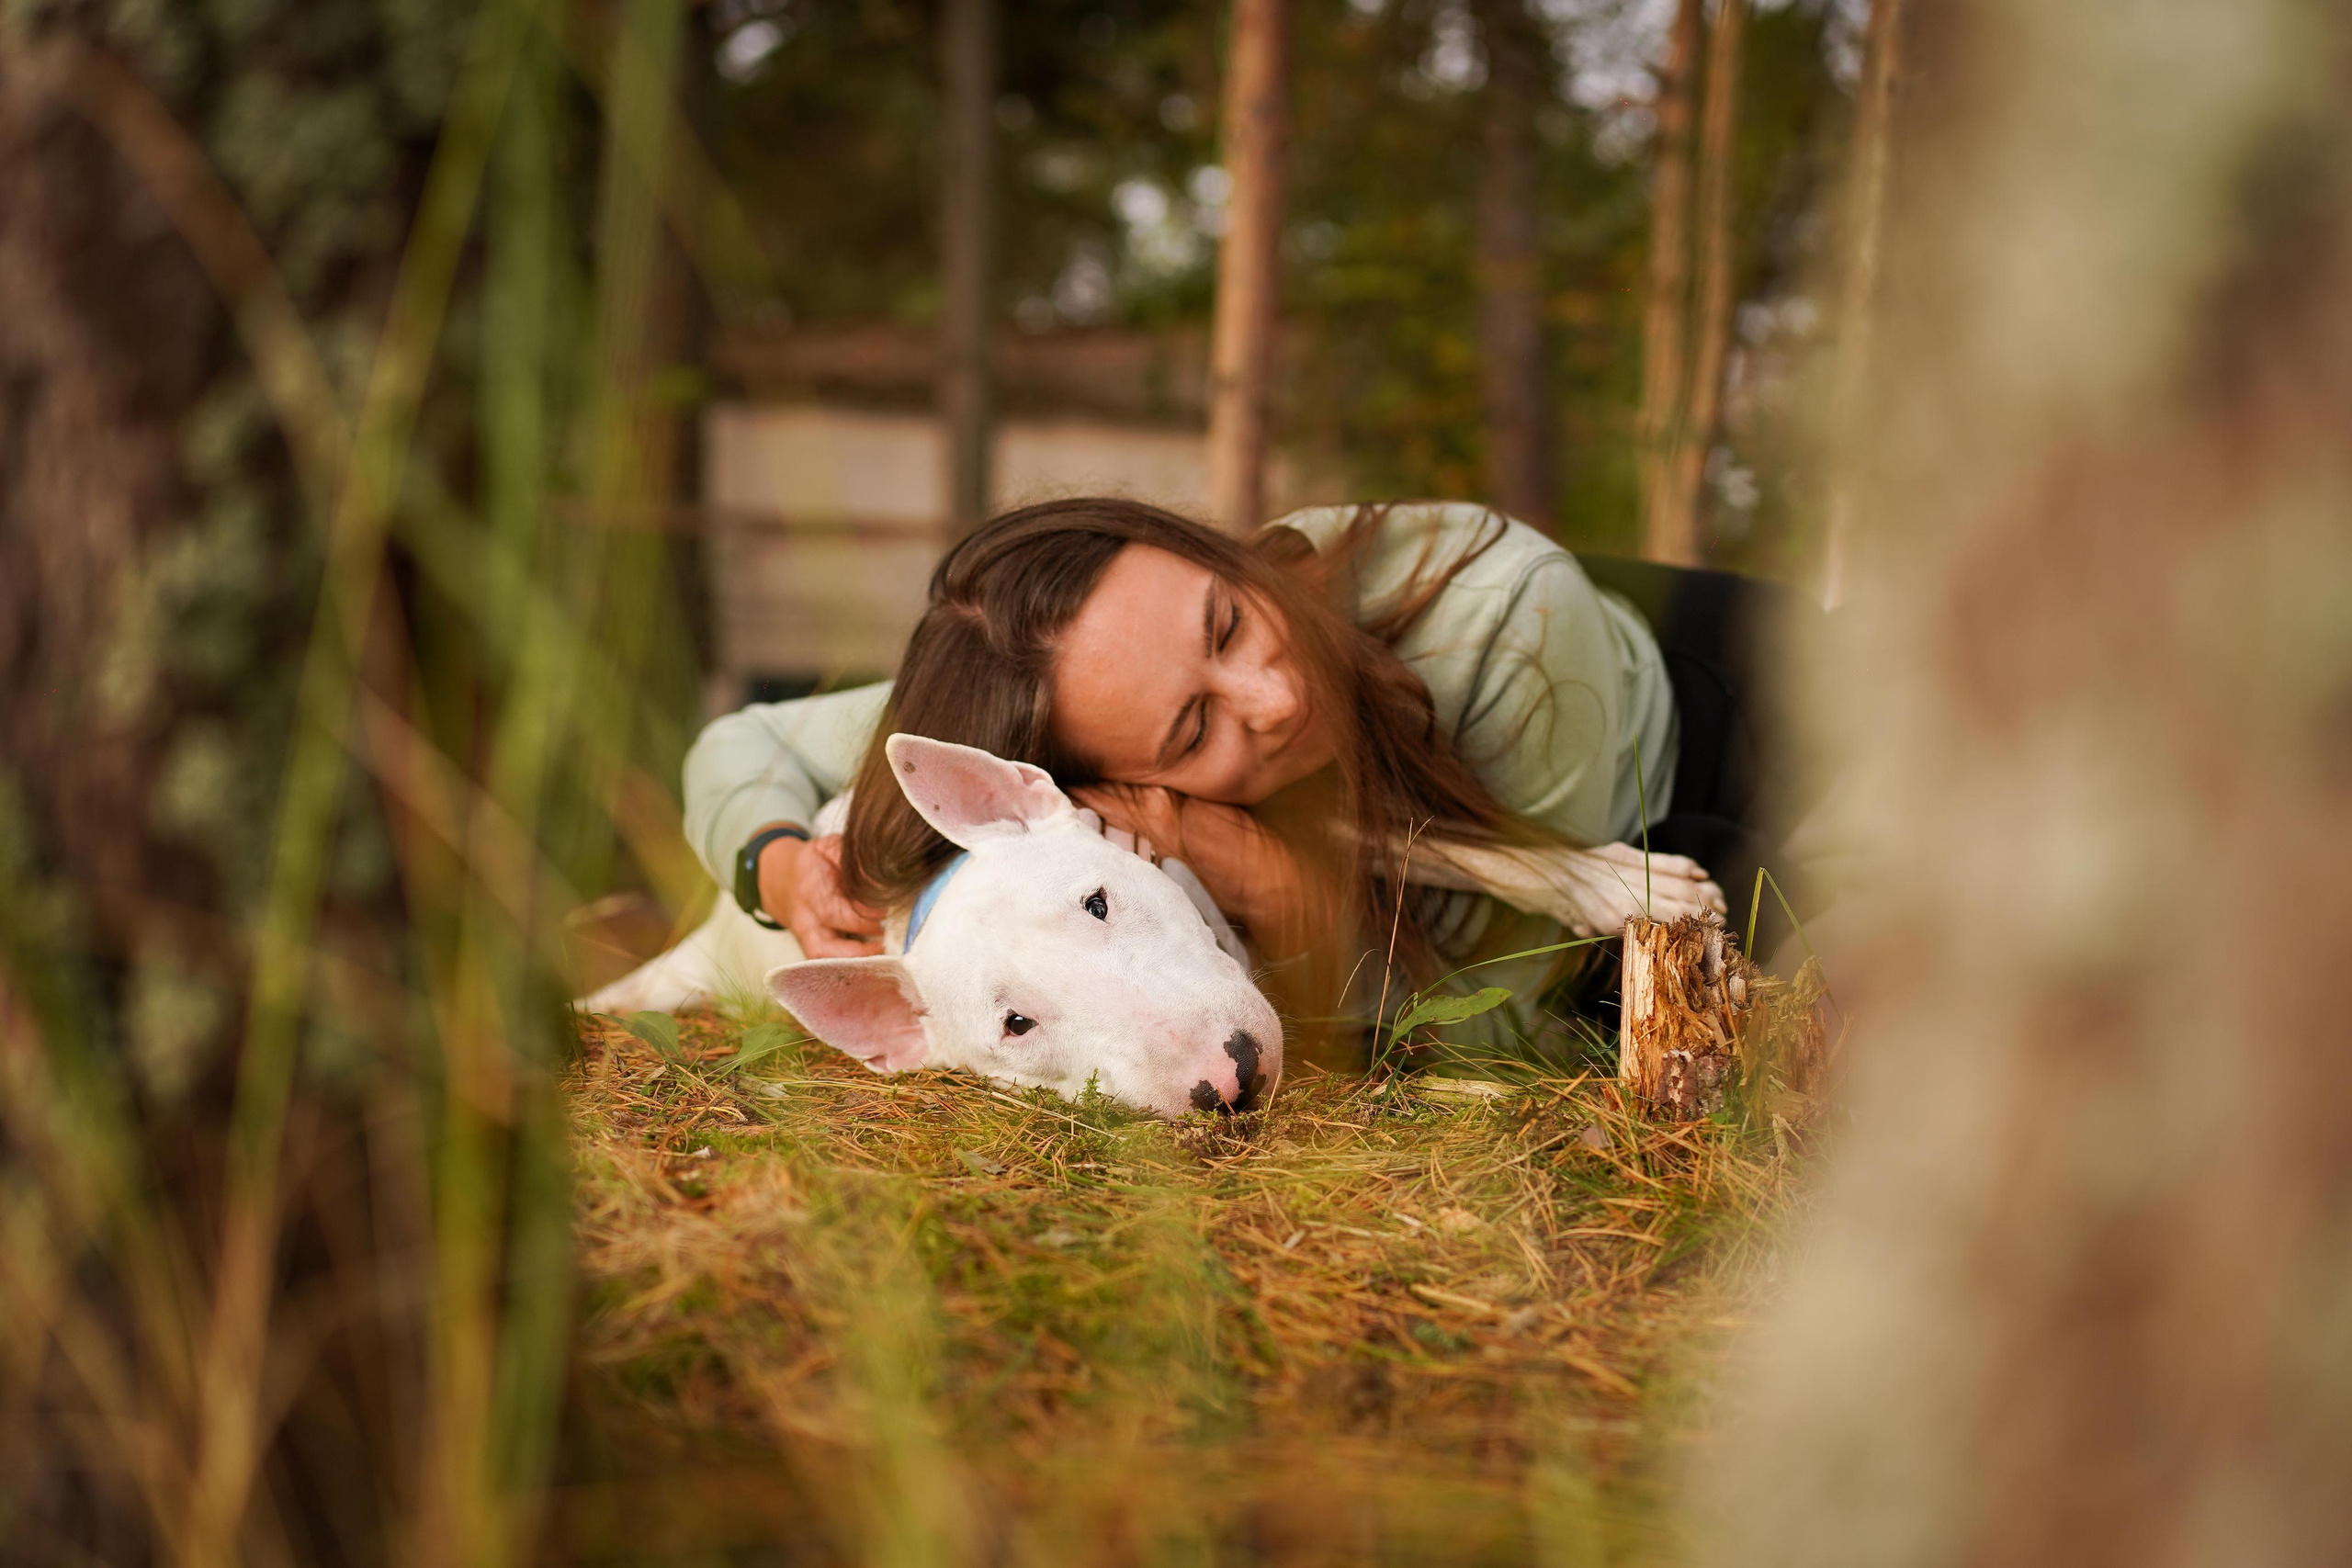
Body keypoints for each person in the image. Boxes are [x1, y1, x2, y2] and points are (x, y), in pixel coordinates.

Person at [683, 498, 1826, 1065]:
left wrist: (1283, 894)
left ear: (1214, 553)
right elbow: (748, 744)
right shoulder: (1069, 697)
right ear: (1093, 788)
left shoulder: (1508, 623)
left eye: (1229, 621)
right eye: (1191, 733)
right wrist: (775, 863)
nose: (1275, 700)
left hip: (1747, 713)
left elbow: (1500, 1028)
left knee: (1753, 901)